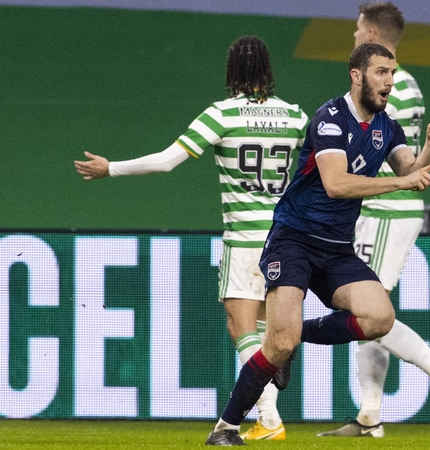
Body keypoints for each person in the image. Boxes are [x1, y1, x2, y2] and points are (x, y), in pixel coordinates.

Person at [204, 42, 430, 446]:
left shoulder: (386, 126)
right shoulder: (330, 119)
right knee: (279, 343)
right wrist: (402, 182)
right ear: (357, 76)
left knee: (379, 318)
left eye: (392, 73)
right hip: (294, 240)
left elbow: (411, 169)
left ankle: (295, 334)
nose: (389, 82)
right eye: (381, 73)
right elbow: (337, 184)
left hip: (336, 247)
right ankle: (226, 427)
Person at [74, 36, 308, 441]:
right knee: (268, 332)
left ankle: (269, 417)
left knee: (241, 327)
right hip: (286, 236)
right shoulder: (295, 116)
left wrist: (111, 168)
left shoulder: (221, 114)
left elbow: (166, 161)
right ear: (268, 69)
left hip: (244, 238)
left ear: (232, 70)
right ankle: (268, 413)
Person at [316, 2, 430, 439]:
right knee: (365, 316)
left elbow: (391, 157)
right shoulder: (406, 83)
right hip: (382, 210)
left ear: (370, 35)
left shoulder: (389, 86)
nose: (353, 36)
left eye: (357, 30)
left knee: (370, 313)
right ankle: (370, 416)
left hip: (388, 211)